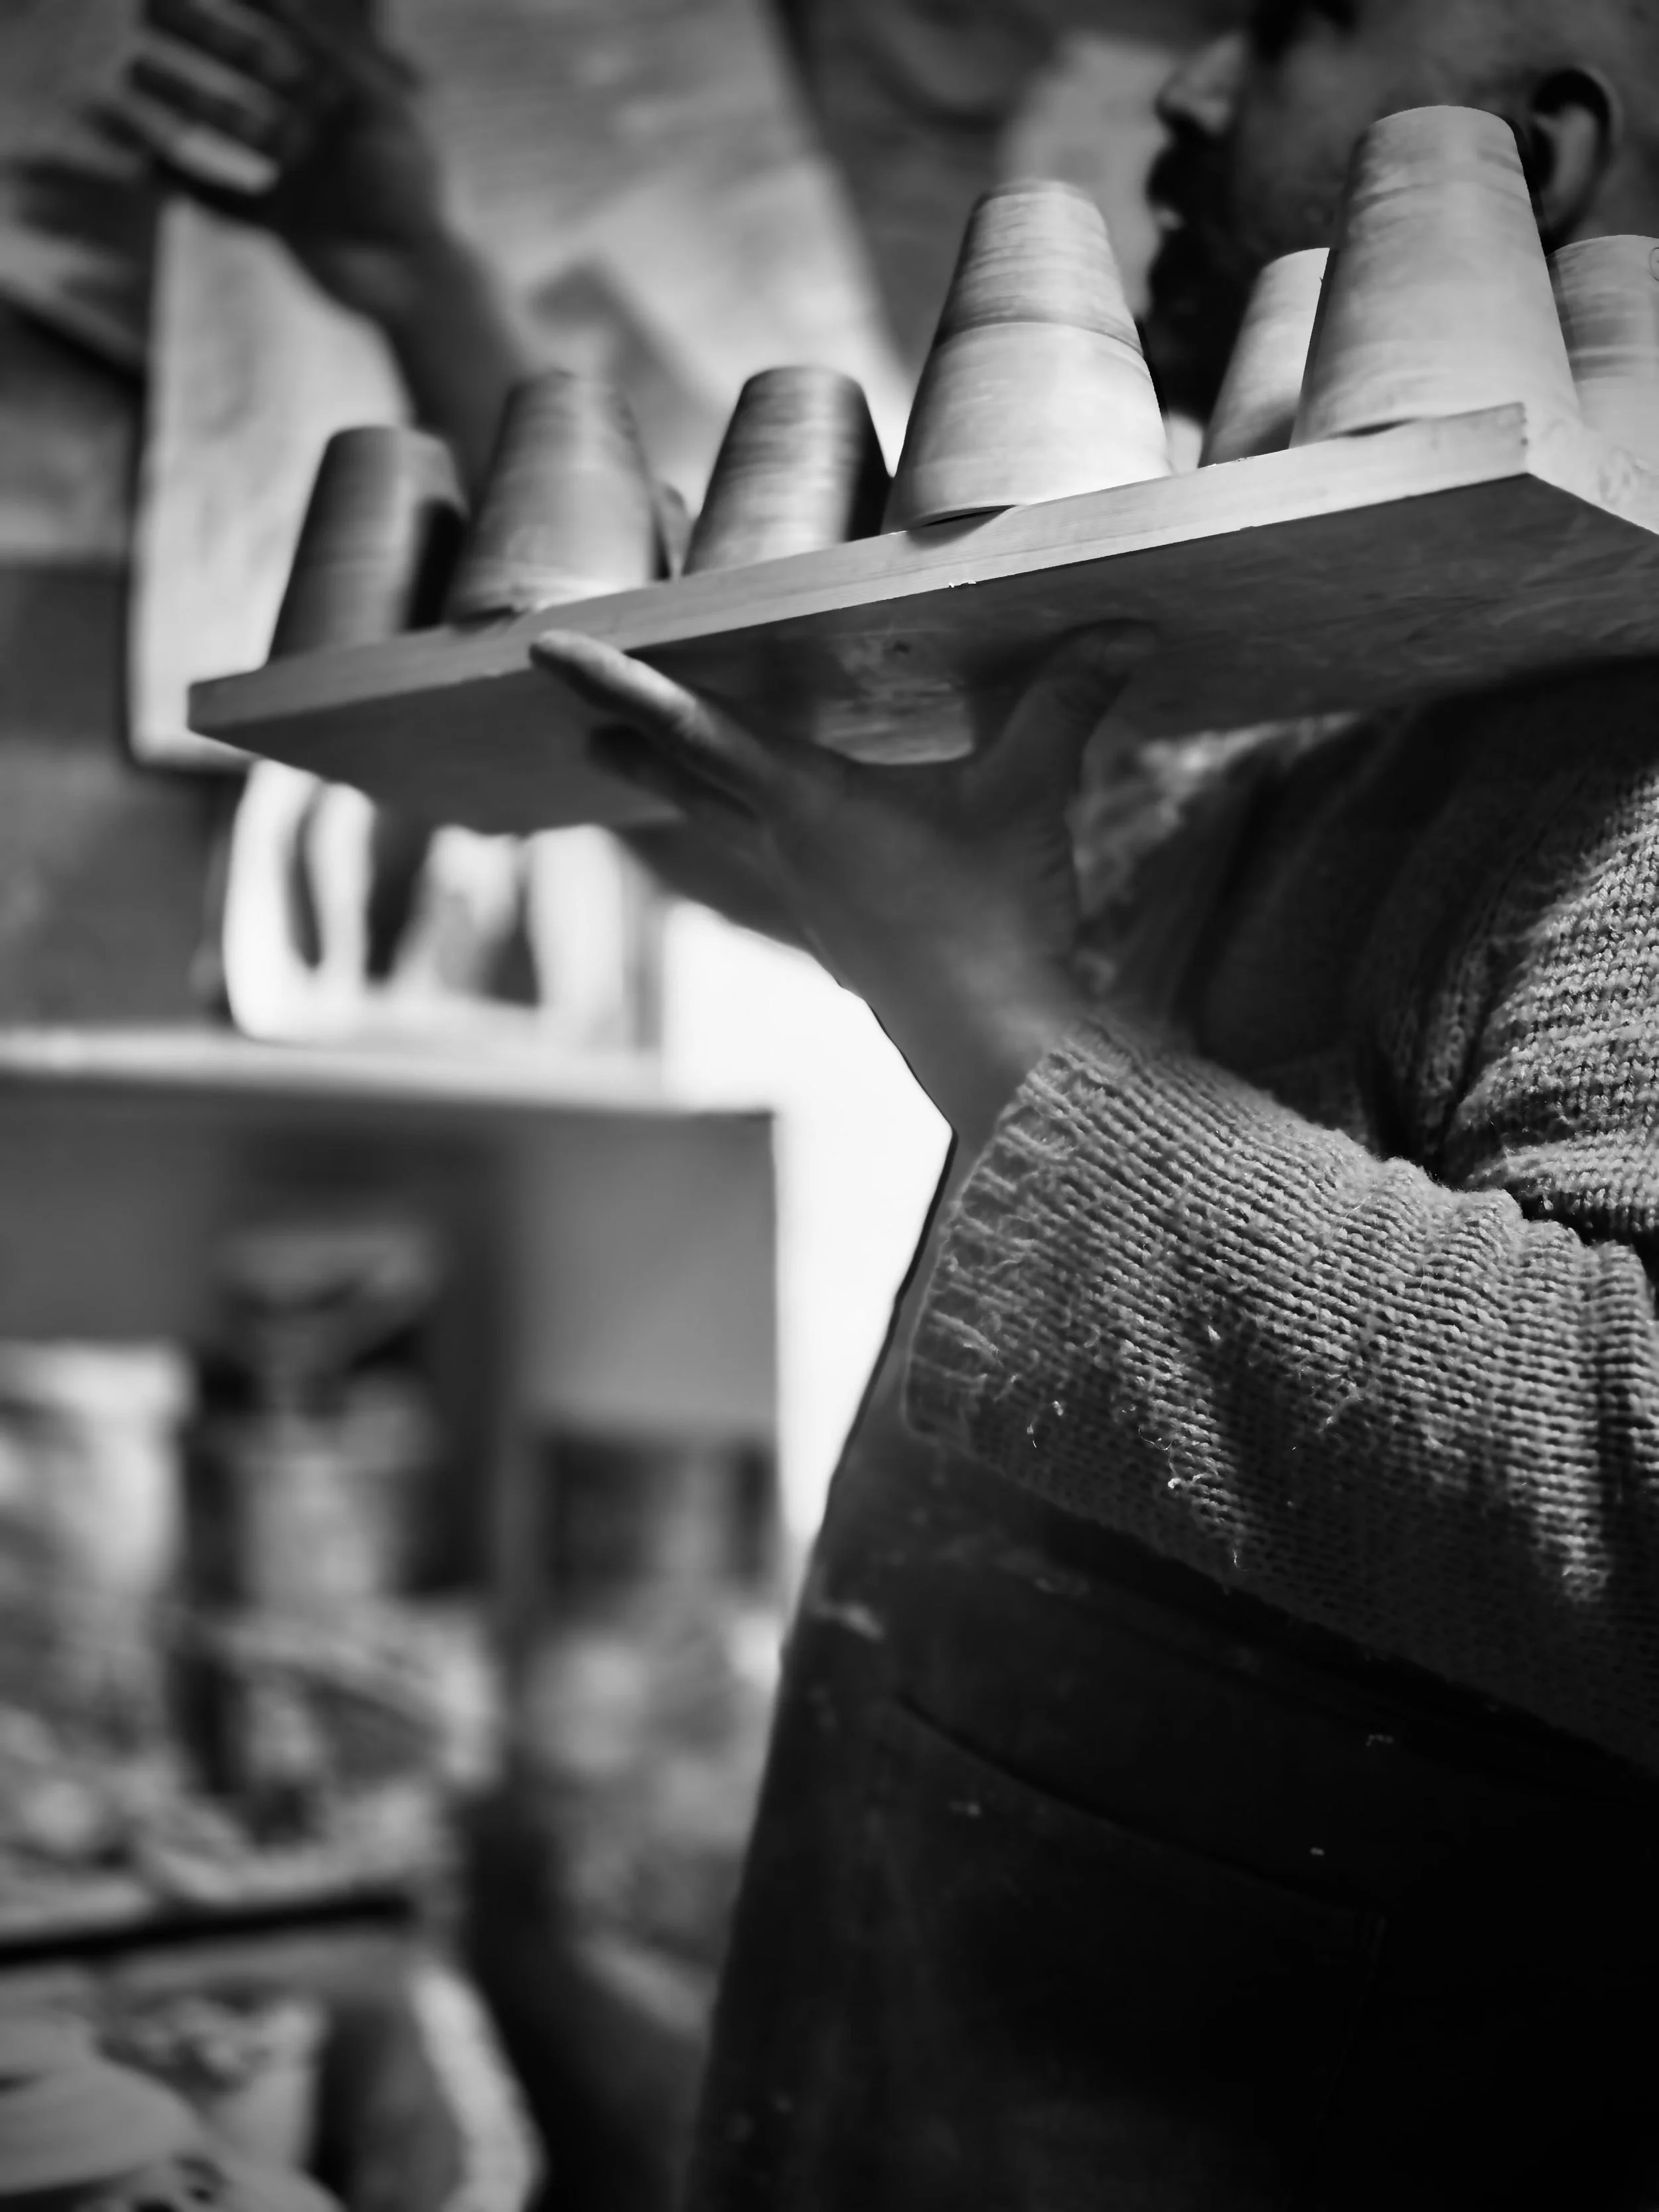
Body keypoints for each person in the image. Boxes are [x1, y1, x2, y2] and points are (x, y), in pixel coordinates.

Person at [133, 3, 1659, 2206]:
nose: (1183, 89)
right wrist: (414, 276)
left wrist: (986, 1009)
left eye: (1294, 24)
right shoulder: (1318, 690)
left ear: (1538, 150)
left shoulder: (1619, 760)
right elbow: (769, 797)